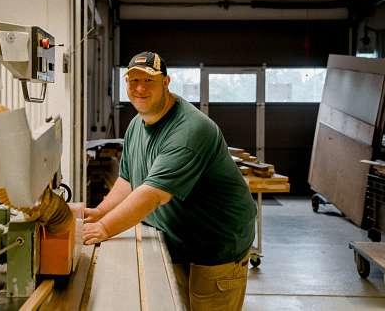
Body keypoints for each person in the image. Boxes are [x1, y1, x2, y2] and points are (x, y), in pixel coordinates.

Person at [83, 51, 257, 310]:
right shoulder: (136, 125)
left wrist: (105, 229)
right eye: (133, 81)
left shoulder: (189, 130)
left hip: (216, 248)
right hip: (178, 240)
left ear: (166, 82)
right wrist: (99, 213)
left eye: (149, 81)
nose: (139, 88)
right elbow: (128, 181)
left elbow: (152, 194)